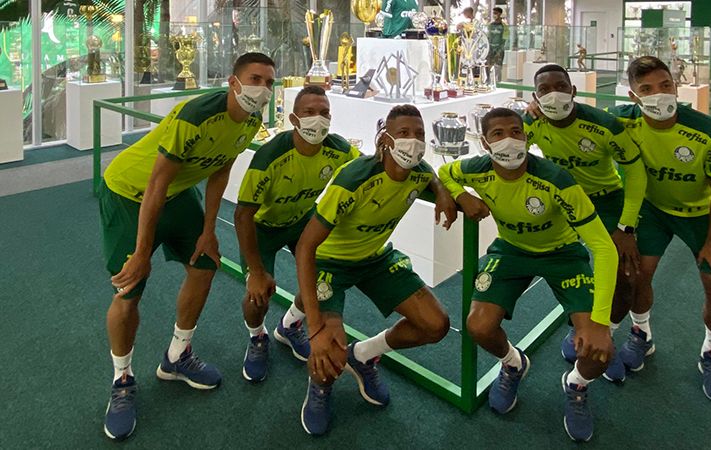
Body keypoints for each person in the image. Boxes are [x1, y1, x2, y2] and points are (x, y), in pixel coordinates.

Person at [98, 52, 276, 440]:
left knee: (205, 262)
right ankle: (122, 378)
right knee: (129, 288)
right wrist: (142, 252)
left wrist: (209, 229)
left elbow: (220, 170)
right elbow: (156, 183)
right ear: (233, 81)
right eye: (254, 79)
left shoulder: (252, 121)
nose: (262, 89)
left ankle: (177, 356)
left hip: (178, 193)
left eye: (269, 82)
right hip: (130, 191)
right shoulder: (195, 114)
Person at [439, 107, 618, 442]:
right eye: (497, 134)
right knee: (478, 326)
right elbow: (445, 170)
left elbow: (604, 248)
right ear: (484, 142)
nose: (509, 140)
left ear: (525, 136)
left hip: (563, 255)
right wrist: (460, 194)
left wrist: (600, 321)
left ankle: (576, 384)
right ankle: (512, 363)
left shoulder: (557, 180)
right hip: (511, 250)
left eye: (516, 132)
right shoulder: (476, 169)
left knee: (599, 351)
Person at [295, 104, 457, 435]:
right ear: (385, 140)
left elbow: (430, 173)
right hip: (331, 262)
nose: (413, 142)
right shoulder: (354, 178)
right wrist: (314, 328)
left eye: (419, 134)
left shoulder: (420, 172)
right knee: (328, 347)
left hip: (375, 259)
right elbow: (305, 248)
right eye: (404, 134)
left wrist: (442, 192)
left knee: (436, 324)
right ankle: (320, 387)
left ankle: (365, 354)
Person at [608, 56, 711, 403]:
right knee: (635, 275)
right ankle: (641, 333)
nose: (658, 94)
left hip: (702, 214)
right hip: (653, 211)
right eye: (647, 89)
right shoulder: (622, 120)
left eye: (665, 85)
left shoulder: (709, 130)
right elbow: (580, 121)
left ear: (676, 86)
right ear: (634, 96)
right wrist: (535, 111)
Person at [525, 64, 646, 383]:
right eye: (544, 89)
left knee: (626, 276)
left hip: (606, 201)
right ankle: (581, 329)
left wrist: (626, 227)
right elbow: (504, 150)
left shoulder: (604, 124)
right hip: (561, 201)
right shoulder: (532, 121)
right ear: (535, 97)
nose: (554, 93)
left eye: (561, 86)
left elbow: (635, 172)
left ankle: (605, 335)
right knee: (570, 273)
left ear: (573, 91)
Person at [234, 85, 361, 382]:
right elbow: (242, 215)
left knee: (318, 286)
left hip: (301, 222)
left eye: (324, 113)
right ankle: (257, 337)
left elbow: (367, 166)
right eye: (309, 113)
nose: (318, 120)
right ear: (293, 119)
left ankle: (289, 326)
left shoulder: (338, 148)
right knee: (258, 296)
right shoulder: (270, 156)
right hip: (261, 229)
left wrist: (435, 183)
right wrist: (255, 271)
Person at [487, 7, 506, 75]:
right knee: (489, 69)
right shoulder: (491, 25)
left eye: (496, 13)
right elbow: (488, 38)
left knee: (497, 69)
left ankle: (498, 83)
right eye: (493, 13)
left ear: (500, 14)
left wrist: (499, 51)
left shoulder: (504, 26)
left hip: (499, 51)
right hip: (490, 50)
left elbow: (504, 40)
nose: (494, 15)